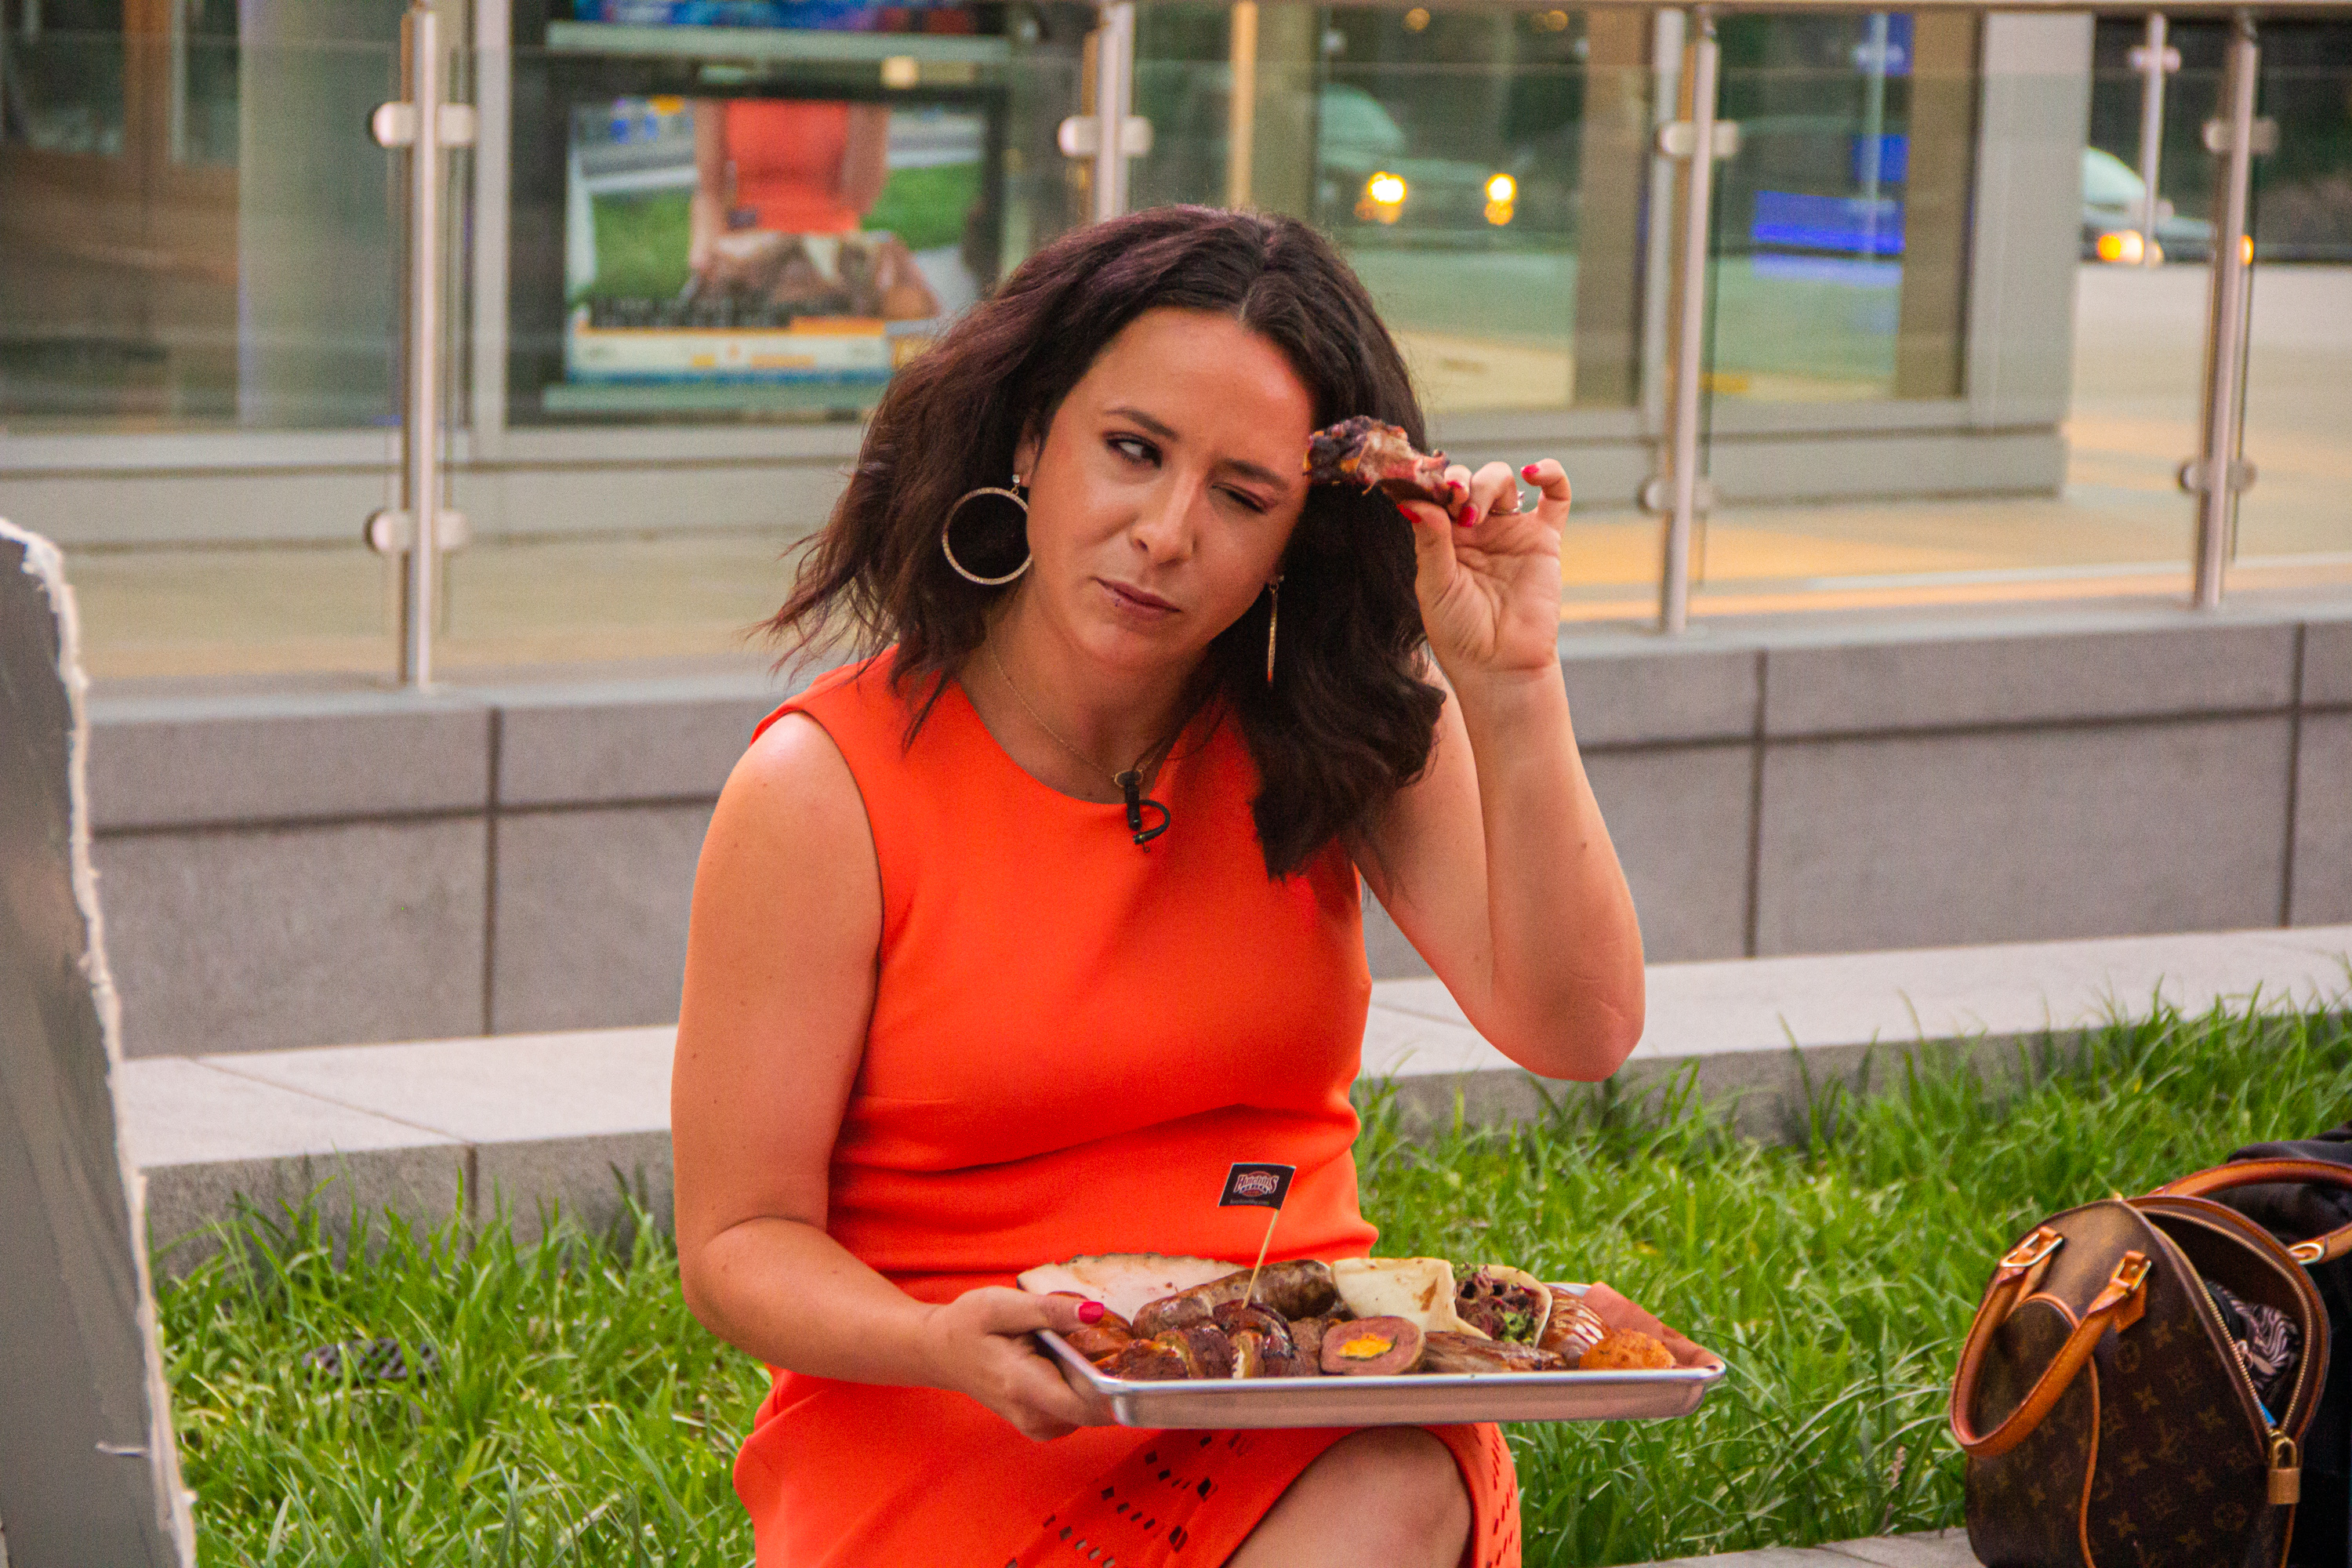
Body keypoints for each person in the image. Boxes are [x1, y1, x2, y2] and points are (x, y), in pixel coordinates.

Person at [671, 205, 1646, 1568]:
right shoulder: (822, 790)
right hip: (950, 1431)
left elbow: (1580, 1027)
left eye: (1244, 497)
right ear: (1032, 439)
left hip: (1308, 1427)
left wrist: (1514, 686)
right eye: (1133, 453)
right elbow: (738, 1242)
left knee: (1398, 1486)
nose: (1168, 532)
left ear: (1297, 536)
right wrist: (935, 1342)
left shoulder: (1329, 733)